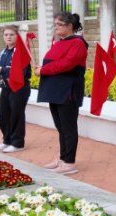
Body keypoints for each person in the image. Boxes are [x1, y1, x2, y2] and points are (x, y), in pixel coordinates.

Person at [37, 12, 88, 175]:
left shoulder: (78, 43)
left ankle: (70, 162)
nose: (56, 27)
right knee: (61, 127)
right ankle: (63, 158)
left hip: (68, 90)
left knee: (68, 127)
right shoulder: (61, 42)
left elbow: (67, 64)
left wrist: (44, 70)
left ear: (69, 26)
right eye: (56, 24)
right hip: (56, 89)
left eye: (59, 24)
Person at [0, 25, 31, 153]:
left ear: (17, 36)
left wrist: (2, 70)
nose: (8, 37)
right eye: (6, 34)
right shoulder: (3, 52)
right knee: (3, 115)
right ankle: (7, 140)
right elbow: (0, 72)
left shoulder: (20, 51)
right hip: (6, 87)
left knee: (16, 115)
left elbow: (22, 71)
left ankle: (18, 143)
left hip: (19, 87)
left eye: (11, 34)